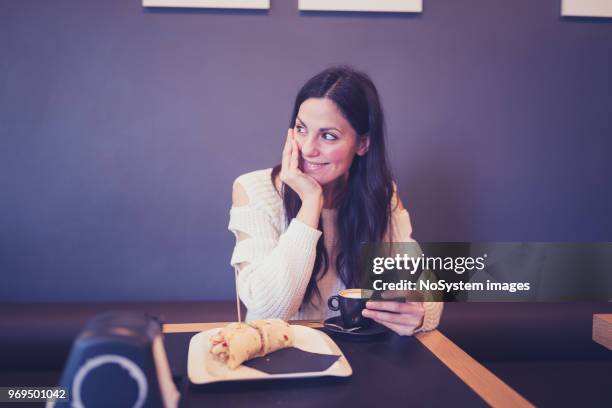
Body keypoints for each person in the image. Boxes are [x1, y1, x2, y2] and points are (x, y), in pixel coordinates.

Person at [228, 66, 443, 335]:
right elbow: (271, 310)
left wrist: (420, 311)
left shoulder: (381, 195)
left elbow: (427, 290)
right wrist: (310, 201)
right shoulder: (254, 189)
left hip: (355, 360)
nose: (308, 149)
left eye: (328, 136)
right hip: (278, 358)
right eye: (301, 129)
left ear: (362, 144)